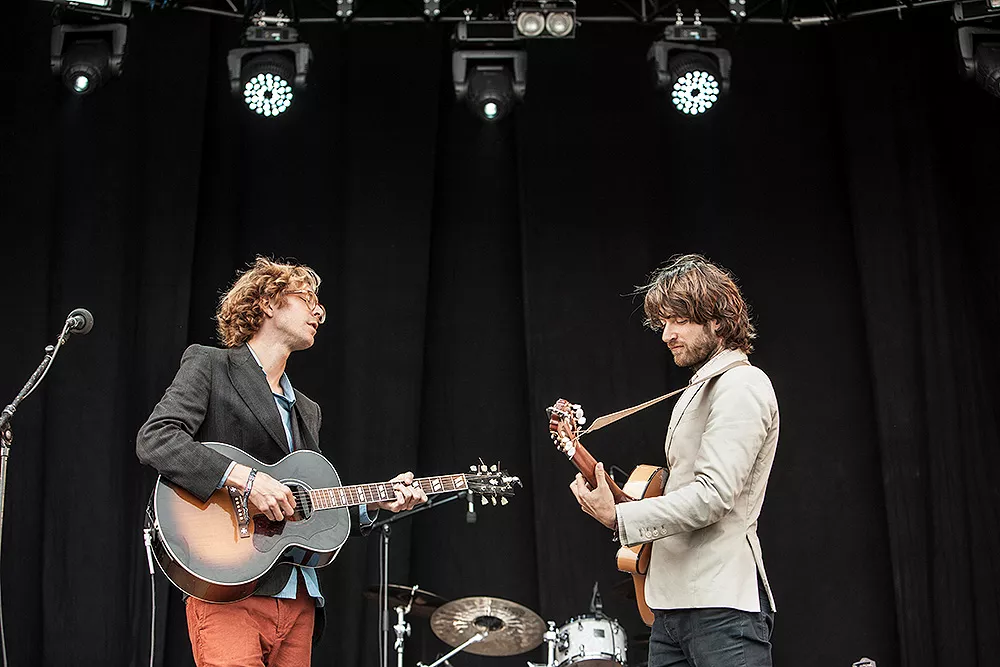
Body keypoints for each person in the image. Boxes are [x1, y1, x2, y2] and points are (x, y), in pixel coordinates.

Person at [137, 256, 427, 667]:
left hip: (300, 598)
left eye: (320, 305)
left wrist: (378, 502)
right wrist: (245, 480)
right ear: (269, 302)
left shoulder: (307, 410)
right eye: (307, 298)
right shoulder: (210, 365)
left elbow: (308, 506)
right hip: (232, 591)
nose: (318, 312)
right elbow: (156, 439)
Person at [569, 253, 778, 667]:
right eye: (662, 323)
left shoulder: (741, 385)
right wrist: (616, 501)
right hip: (672, 608)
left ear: (716, 320)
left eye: (678, 320)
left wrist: (619, 519)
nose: (666, 334)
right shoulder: (701, 388)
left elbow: (713, 496)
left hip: (721, 608)